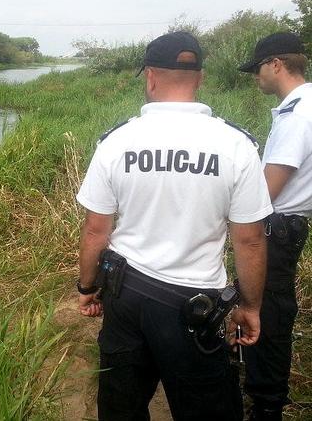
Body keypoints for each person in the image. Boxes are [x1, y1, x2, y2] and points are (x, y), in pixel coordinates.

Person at [76, 31, 272, 420]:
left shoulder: (117, 142)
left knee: (122, 406)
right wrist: (250, 306)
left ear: (150, 77)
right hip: (196, 307)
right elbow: (249, 241)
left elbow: (97, 231)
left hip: (125, 297)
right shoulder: (236, 145)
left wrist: (87, 287)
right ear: (200, 78)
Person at [238, 32, 312, 420]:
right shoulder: (305, 104)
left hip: (277, 229)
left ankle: (265, 404)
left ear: (276, 65)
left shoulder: (296, 115)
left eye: (258, 69)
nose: (256, 77)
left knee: (266, 312)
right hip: (290, 226)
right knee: (270, 308)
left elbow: (268, 189)